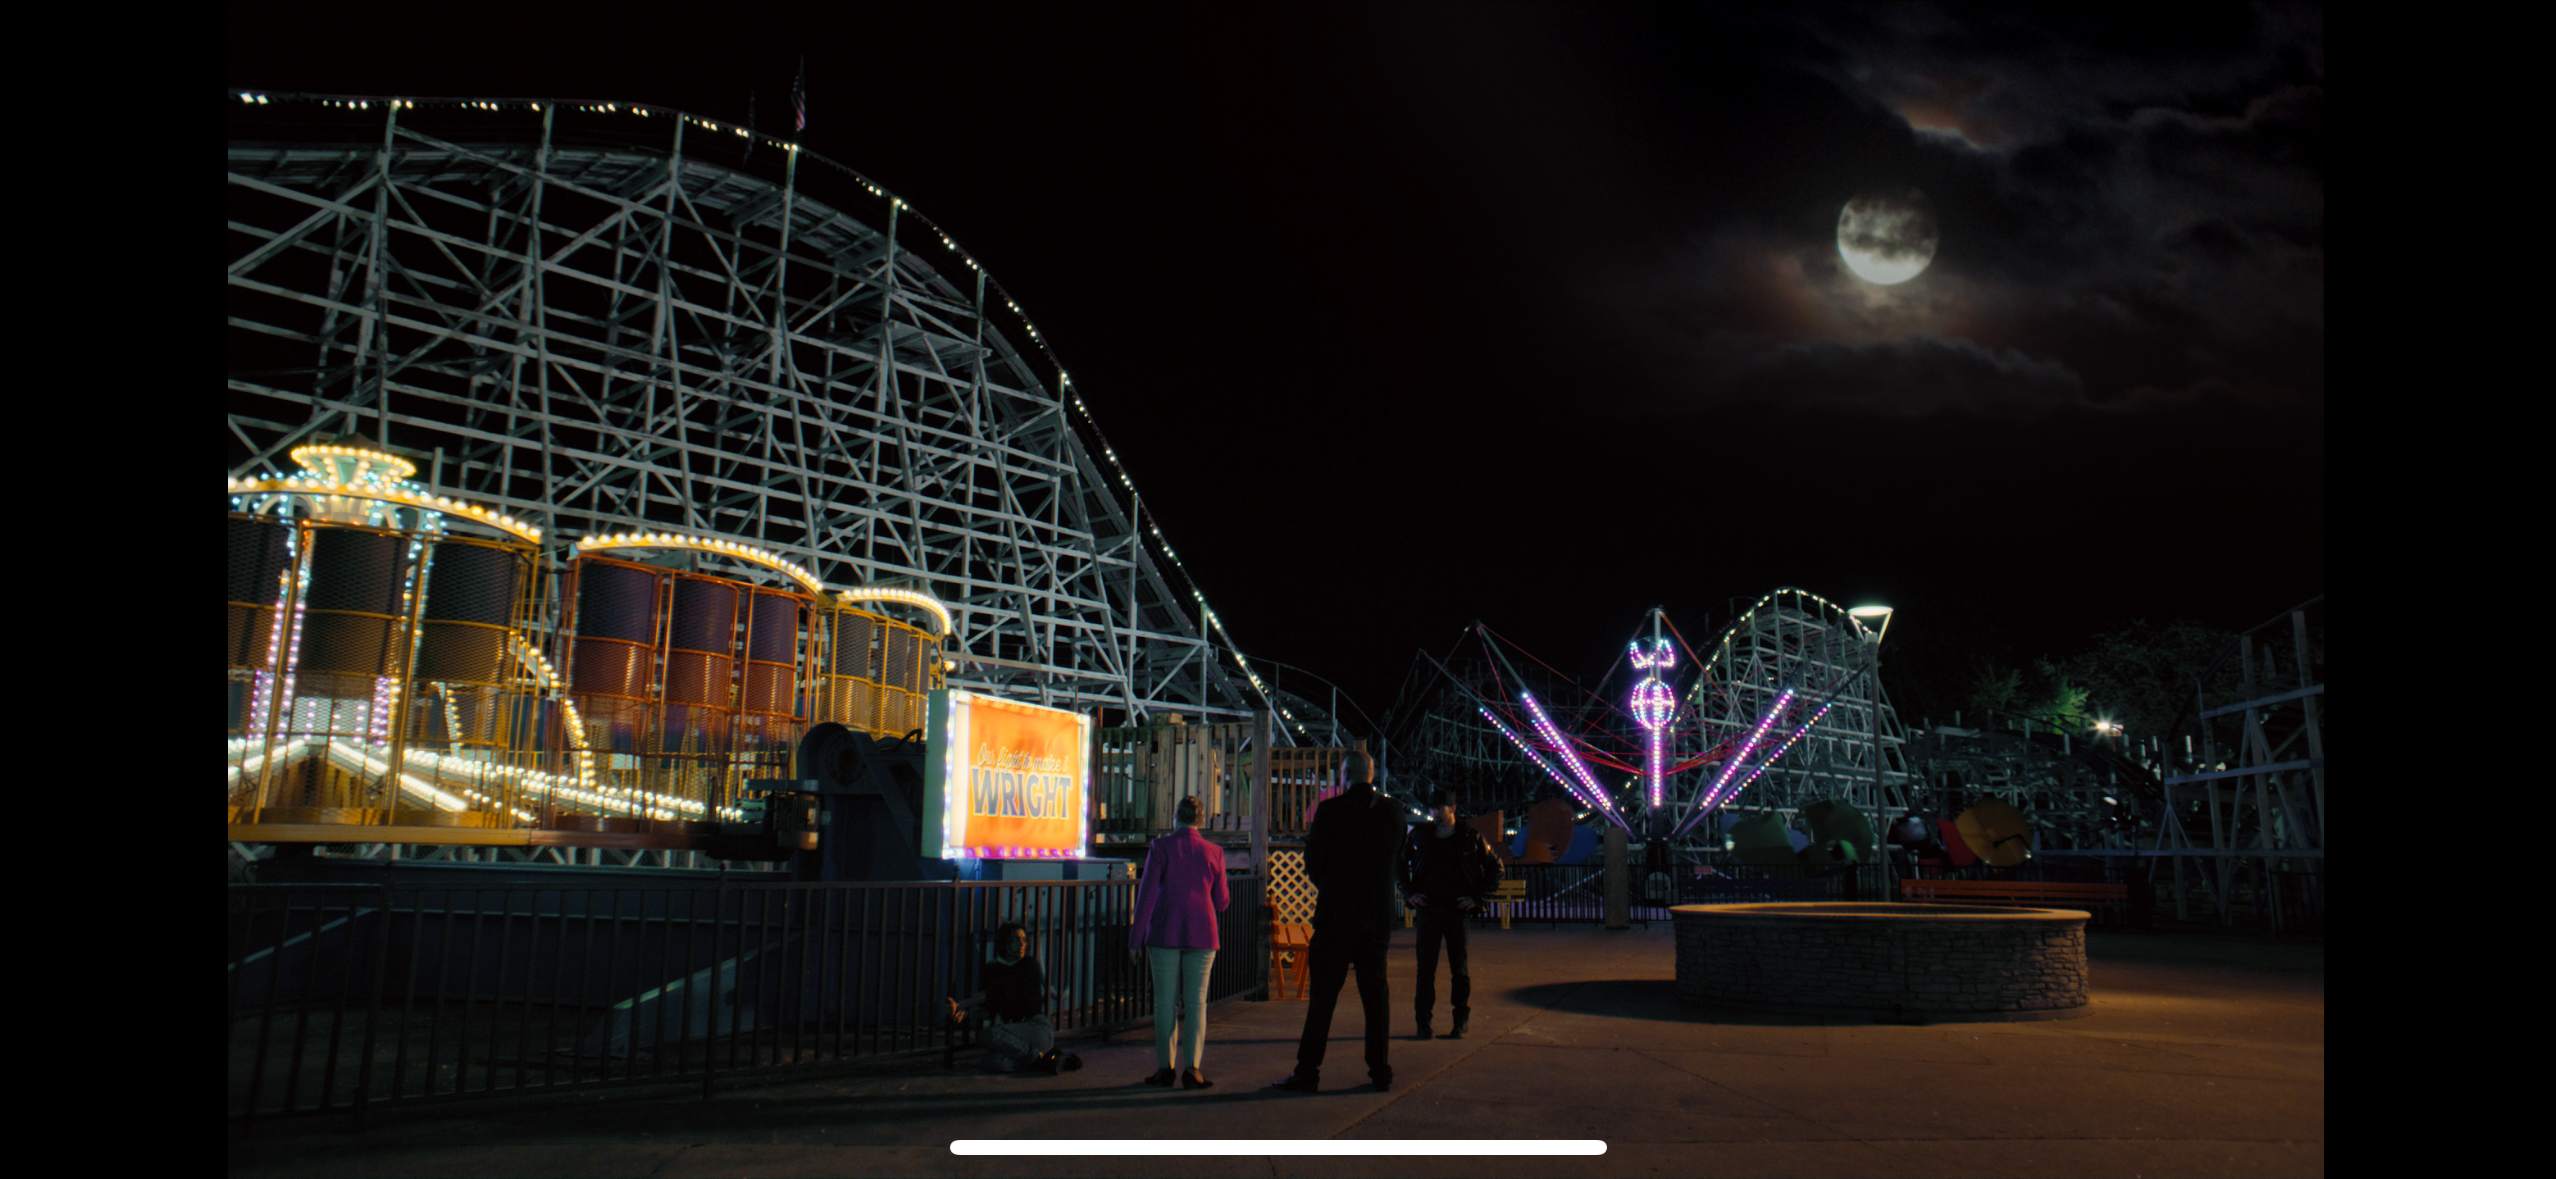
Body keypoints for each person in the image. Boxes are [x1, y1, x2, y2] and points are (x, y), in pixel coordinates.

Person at [1272, 751, 1405, 1094]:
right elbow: (1396, 857)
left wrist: (1334, 887)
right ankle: (1380, 1070)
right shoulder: (1392, 812)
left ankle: (1308, 1071)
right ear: (1372, 775)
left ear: (1344, 774)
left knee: (1323, 1000)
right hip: (1375, 919)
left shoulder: (1330, 811)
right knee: (1375, 996)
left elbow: (1313, 862)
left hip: (1335, 918)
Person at [1129, 794, 1231, 1090]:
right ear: (1201, 820)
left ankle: (1165, 1068)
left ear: (1176, 817)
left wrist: (1136, 939)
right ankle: (1193, 1069)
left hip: (1164, 931)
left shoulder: (1160, 847)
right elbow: (1222, 901)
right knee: (1197, 1002)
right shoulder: (1214, 852)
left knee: (1165, 1003)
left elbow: (1147, 896)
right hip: (1203, 933)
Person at [1400, 788, 1502, 1040]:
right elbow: (1399, 864)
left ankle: (1460, 1021)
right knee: (1426, 969)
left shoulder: (1470, 837)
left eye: (1440, 808)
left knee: (1459, 969)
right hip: (1429, 910)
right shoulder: (1421, 837)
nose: (1434, 813)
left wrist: (1477, 898)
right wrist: (1409, 892)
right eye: (1432, 808)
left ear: (1452, 809)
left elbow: (1495, 868)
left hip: (1456, 911)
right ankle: (1423, 1023)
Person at [946, 922, 1081, 1075]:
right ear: (1005, 943)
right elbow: (990, 1009)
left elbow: (997, 990)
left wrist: (962, 1004)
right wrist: (968, 1014)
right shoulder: (993, 969)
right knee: (991, 1062)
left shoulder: (1028, 965)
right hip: (1014, 1033)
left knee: (987, 1034)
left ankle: (1039, 1059)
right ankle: (1042, 1062)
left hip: (1035, 1028)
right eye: (1016, 940)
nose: (1022, 944)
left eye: (1024, 940)